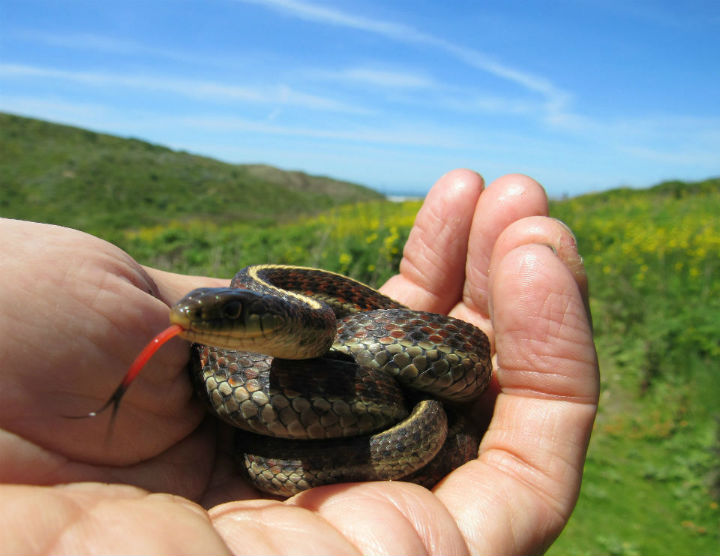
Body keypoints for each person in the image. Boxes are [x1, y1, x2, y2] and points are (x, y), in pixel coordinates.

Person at [0, 170, 598, 554]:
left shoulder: (326, 318)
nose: (202, 327)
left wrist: (430, 411)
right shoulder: (251, 326)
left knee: (427, 408)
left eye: (232, 318)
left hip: (392, 382)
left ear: (269, 315)